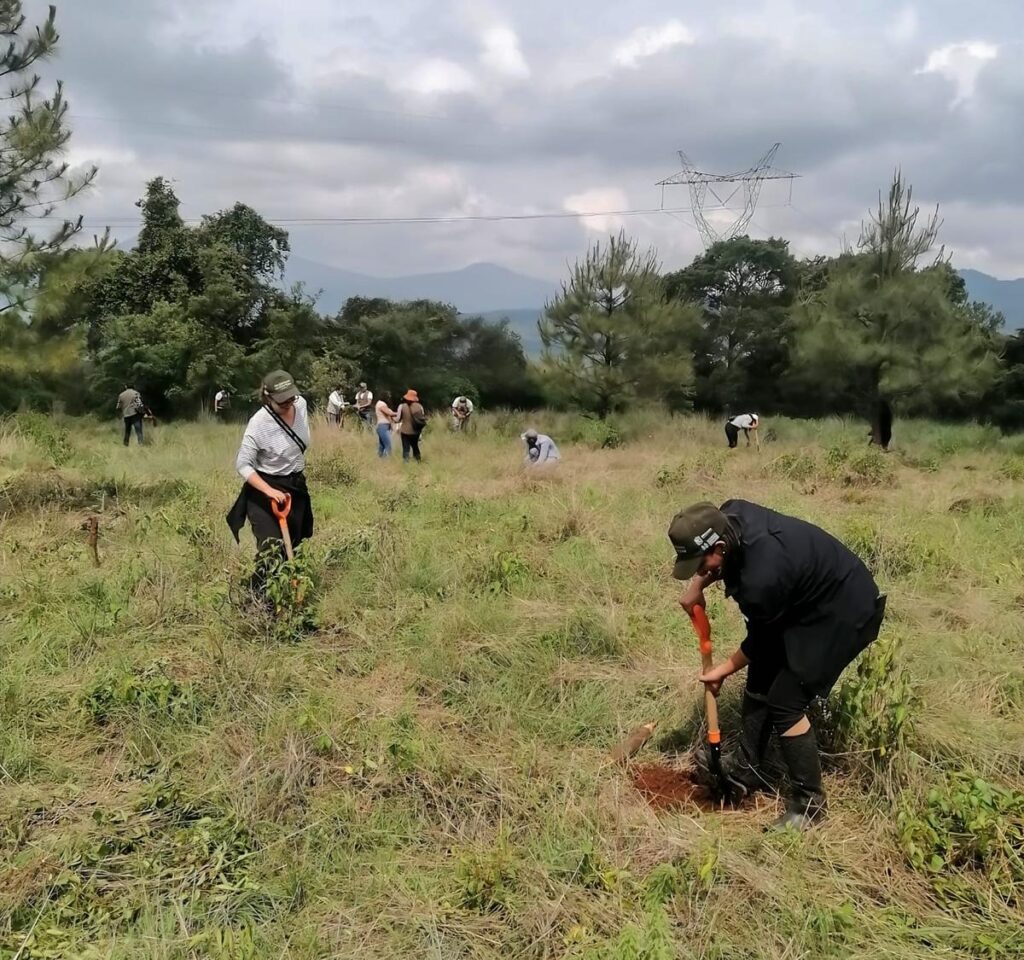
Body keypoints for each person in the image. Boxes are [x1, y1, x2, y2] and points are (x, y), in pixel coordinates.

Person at [670, 500, 886, 831]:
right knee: (762, 673)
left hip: (845, 610)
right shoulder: (727, 516)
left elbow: (763, 640)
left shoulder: (763, 575)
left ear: (720, 547)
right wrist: (697, 586)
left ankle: (808, 806)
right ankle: (746, 768)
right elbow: (762, 642)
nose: (698, 570)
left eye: (700, 564)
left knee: (786, 700)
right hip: (806, 596)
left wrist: (723, 670)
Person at [226, 370, 313, 592]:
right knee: (271, 550)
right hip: (265, 492)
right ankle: (257, 605)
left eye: (291, 398)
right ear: (268, 397)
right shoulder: (259, 424)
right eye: (282, 401)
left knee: (294, 546)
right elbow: (243, 465)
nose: (289, 404)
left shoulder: (300, 405)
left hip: (295, 488)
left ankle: (291, 599)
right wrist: (269, 491)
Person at [395, 389, 427, 462]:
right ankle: (418, 462)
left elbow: (397, 419)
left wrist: (391, 417)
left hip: (405, 431)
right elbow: (422, 417)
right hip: (416, 431)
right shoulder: (420, 407)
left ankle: (406, 464)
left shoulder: (401, 406)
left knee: (406, 449)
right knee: (415, 447)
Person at [374, 392, 399, 457]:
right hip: (383, 427)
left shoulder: (383, 404)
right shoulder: (381, 404)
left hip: (383, 427)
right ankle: (387, 461)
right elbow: (390, 413)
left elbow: (395, 418)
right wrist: (400, 412)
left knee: (382, 446)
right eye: (388, 396)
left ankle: (379, 461)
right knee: (388, 445)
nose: (389, 397)